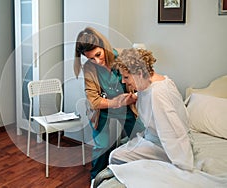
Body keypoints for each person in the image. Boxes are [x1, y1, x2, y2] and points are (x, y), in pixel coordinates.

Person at [109, 48, 194, 171]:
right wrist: (134, 97)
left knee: (115, 156)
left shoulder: (158, 94)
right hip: (156, 138)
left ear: (139, 73)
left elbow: (172, 132)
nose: (123, 81)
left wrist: (183, 164)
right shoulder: (161, 81)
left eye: (126, 77)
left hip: (168, 146)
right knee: (121, 151)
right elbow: (147, 95)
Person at [74, 27, 137, 180]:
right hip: (101, 111)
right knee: (101, 146)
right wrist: (116, 102)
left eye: (98, 55)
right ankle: (96, 178)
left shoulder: (123, 57)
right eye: (90, 58)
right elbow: (94, 101)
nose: (97, 61)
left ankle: (135, 172)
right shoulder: (89, 69)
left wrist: (134, 95)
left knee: (138, 138)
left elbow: (137, 82)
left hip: (127, 107)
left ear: (104, 46)